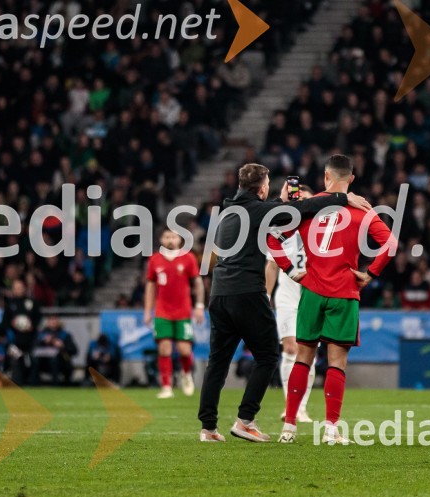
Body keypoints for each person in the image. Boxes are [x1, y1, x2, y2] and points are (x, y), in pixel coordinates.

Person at [197, 163, 371, 443]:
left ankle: (208, 428)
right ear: (262, 188)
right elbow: (301, 209)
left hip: (219, 294)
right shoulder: (258, 210)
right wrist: (342, 197)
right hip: (247, 293)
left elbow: (269, 213)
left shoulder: (228, 210)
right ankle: (245, 420)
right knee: (267, 356)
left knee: (217, 361)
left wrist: (280, 201)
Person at [272, 155, 398, 445]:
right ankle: (330, 430)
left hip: (311, 290)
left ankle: (289, 427)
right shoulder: (362, 209)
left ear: (326, 176)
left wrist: (290, 270)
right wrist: (370, 273)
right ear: (351, 179)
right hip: (344, 291)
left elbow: (273, 237)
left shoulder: (307, 207)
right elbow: (391, 244)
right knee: (337, 361)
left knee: (303, 357)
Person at [265, 184, 316, 423]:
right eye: (300, 199)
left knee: (308, 352)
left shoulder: (320, 229)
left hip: (312, 296)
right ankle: (291, 406)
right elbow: (272, 265)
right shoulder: (282, 228)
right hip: (286, 296)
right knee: (290, 349)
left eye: (308, 199)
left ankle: (302, 407)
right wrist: (266, 296)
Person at [143, 228, 205, 398]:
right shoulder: (154, 260)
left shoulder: (188, 258)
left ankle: (186, 374)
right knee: (164, 349)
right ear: (161, 239)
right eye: (167, 237)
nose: (170, 240)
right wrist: (147, 311)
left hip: (183, 312)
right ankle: (166, 387)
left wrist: (199, 306)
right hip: (162, 311)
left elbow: (198, 283)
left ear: (179, 240)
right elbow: (150, 287)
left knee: (185, 350)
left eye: (173, 237)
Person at [2, 279, 42, 385]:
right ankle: (17, 383)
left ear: (24, 289)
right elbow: (4, 323)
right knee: (16, 360)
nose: (17, 290)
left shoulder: (32, 303)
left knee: (33, 361)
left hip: (30, 340)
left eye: (19, 288)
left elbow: (38, 318)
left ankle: (33, 384)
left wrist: (32, 325)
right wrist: (12, 323)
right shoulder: (9, 304)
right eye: (15, 288)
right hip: (14, 341)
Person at [33, 316, 78, 385]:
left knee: (54, 360)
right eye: (51, 321)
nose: (53, 323)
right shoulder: (41, 335)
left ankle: (55, 384)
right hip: (43, 362)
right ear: (48, 323)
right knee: (35, 360)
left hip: (60, 362)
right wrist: (42, 342)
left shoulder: (65, 335)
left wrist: (62, 346)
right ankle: (35, 384)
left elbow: (74, 350)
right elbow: (33, 348)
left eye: (55, 321)